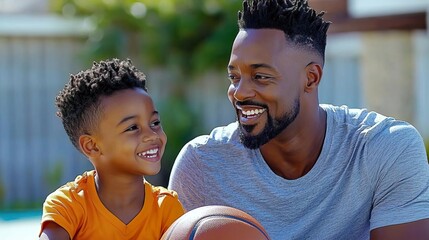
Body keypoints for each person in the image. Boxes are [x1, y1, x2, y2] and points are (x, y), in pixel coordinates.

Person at [168, 0, 429, 239]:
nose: (240, 92)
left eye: (260, 77)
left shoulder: (385, 149)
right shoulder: (201, 164)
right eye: (234, 77)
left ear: (311, 78)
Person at [39, 58, 185, 240]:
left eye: (154, 123)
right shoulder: (68, 204)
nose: (152, 135)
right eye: (132, 128)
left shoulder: (167, 207)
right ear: (92, 146)